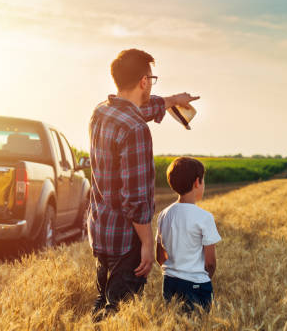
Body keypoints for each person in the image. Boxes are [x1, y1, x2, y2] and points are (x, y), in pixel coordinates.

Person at [88, 49, 200, 321]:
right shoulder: (136, 129)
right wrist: (147, 245)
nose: (152, 82)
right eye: (152, 78)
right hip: (126, 241)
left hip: (102, 233)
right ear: (143, 81)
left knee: (103, 306)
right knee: (119, 316)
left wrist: (174, 100)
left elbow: (139, 108)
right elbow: (136, 199)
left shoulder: (102, 112)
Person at [156, 157, 221, 312]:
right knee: (199, 324)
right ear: (197, 182)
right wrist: (202, 280)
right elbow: (210, 263)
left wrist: (174, 271)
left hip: (169, 282)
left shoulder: (163, 214)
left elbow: (159, 256)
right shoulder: (204, 217)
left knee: (175, 323)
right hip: (196, 284)